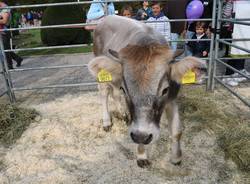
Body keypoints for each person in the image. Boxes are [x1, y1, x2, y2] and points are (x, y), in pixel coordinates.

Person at [0, 0, 23, 70]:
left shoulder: (5, 8)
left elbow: (4, 21)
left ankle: (9, 66)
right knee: (5, 49)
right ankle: (18, 59)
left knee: (5, 49)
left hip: (4, 31)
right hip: (2, 31)